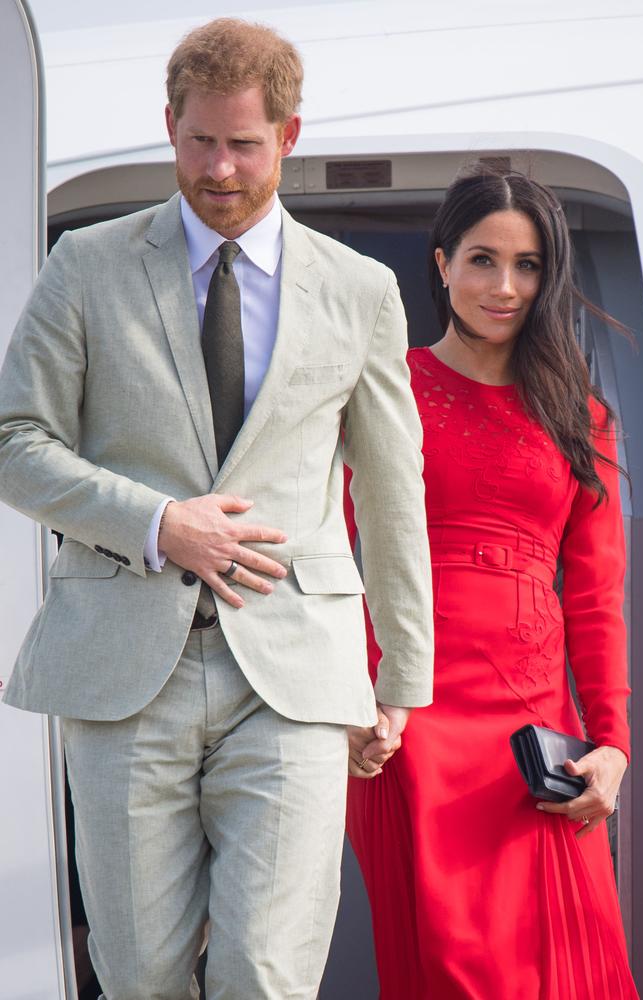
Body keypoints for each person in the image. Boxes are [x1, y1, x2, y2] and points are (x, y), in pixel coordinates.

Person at [0, 18, 434, 1000]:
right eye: (199, 140)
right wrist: (160, 523)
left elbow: (390, 487)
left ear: (287, 135)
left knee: (263, 972)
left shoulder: (358, 290)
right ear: (169, 125)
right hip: (123, 672)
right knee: (142, 978)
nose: (219, 167)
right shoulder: (89, 267)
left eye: (243, 143)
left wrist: (400, 676)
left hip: (292, 675)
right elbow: (14, 444)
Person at [346, 167, 639, 999]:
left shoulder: (581, 416)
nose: (504, 287)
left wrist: (613, 744)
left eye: (528, 265)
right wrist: (349, 703)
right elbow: (322, 551)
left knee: (564, 963)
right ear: (441, 264)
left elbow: (595, 597)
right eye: (482, 259)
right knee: (450, 966)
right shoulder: (384, 388)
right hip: (408, 716)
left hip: (536, 732)